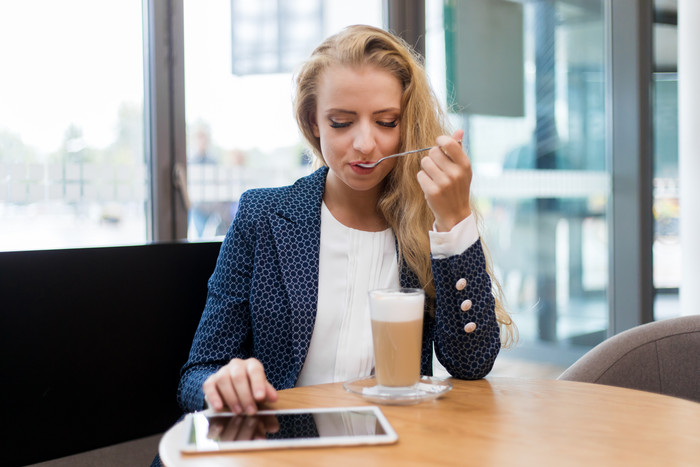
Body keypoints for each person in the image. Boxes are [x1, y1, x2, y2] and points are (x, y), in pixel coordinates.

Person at [177, 24, 516, 416]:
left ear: (407, 125)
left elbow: (471, 365)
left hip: (389, 450)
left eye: (386, 121)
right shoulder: (263, 217)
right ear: (313, 122)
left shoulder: (425, 231)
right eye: (341, 122)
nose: (365, 144)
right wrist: (222, 386)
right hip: (279, 450)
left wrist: (455, 221)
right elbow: (196, 374)